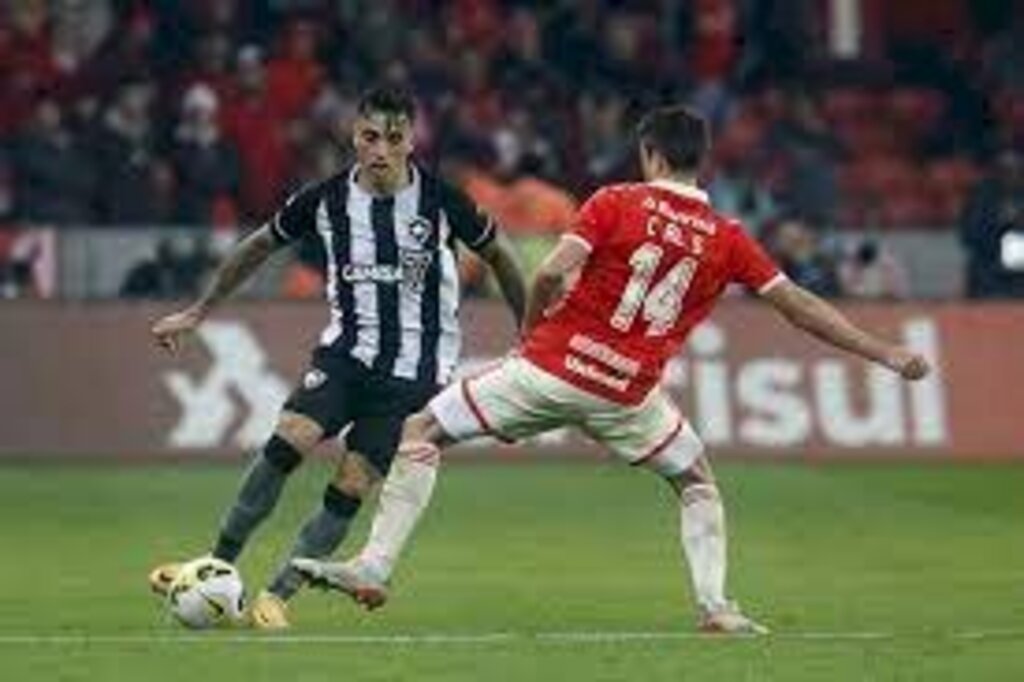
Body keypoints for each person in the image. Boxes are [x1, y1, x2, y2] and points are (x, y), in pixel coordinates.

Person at [293, 105, 931, 634]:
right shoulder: (727, 233)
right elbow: (801, 309)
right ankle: (715, 606)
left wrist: (533, 332)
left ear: (650, 155)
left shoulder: (616, 201)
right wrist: (885, 352)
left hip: (548, 370)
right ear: (697, 160)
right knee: (697, 480)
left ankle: (375, 565)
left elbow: (548, 271)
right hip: (628, 394)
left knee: (422, 431)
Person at [147, 86, 527, 629]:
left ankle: (278, 594)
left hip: (414, 376)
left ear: (410, 141)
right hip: (346, 355)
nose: (381, 150)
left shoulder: (442, 201)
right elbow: (259, 244)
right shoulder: (325, 199)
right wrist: (199, 310)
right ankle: (215, 566)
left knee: (350, 483)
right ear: (354, 136)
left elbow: (502, 255)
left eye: (393, 139)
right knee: (289, 440)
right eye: (371, 137)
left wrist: (528, 333)